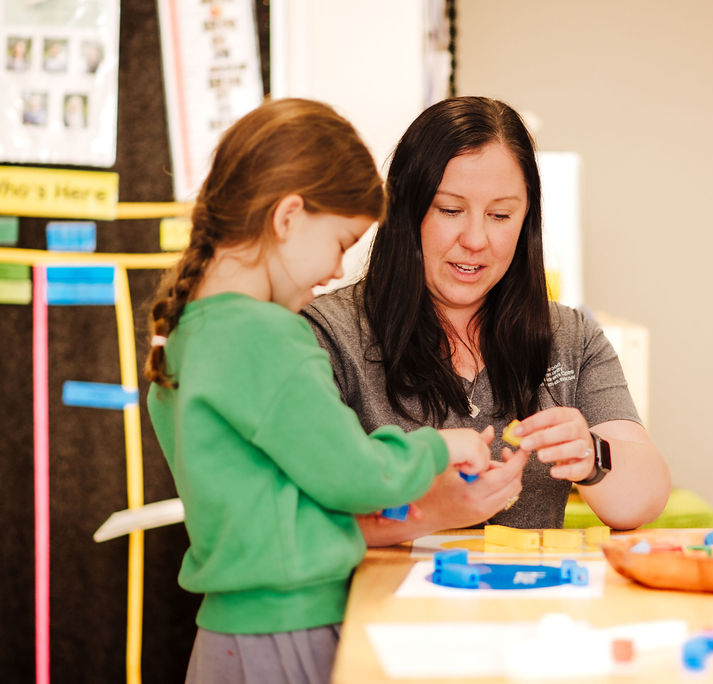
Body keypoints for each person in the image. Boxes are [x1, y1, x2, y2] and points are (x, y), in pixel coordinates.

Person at [144, 98, 491, 683]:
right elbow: (353, 475)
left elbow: (279, 496)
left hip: (226, 636)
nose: (336, 271)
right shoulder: (265, 336)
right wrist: (440, 446)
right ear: (288, 217)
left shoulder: (189, 333)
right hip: (287, 630)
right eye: (339, 242)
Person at [303, 96, 671, 546]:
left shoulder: (570, 338)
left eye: (500, 215)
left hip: (527, 608)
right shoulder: (327, 335)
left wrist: (593, 456)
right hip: (385, 611)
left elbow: (644, 500)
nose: (475, 239)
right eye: (450, 210)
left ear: (526, 221)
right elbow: (306, 518)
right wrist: (435, 508)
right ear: (405, 211)